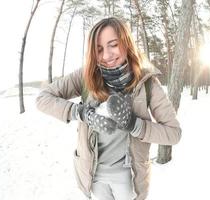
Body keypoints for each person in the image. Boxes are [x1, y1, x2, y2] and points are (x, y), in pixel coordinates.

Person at [36, 17, 181, 200]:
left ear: (126, 43)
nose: (106, 55)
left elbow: (174, 133)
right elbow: (43, 98)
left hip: (129, 179)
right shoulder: (86, 76)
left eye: (113, 45)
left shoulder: (148, 84)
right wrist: (83, 114)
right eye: (99, 49)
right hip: (93, 175)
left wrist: (134, 125)